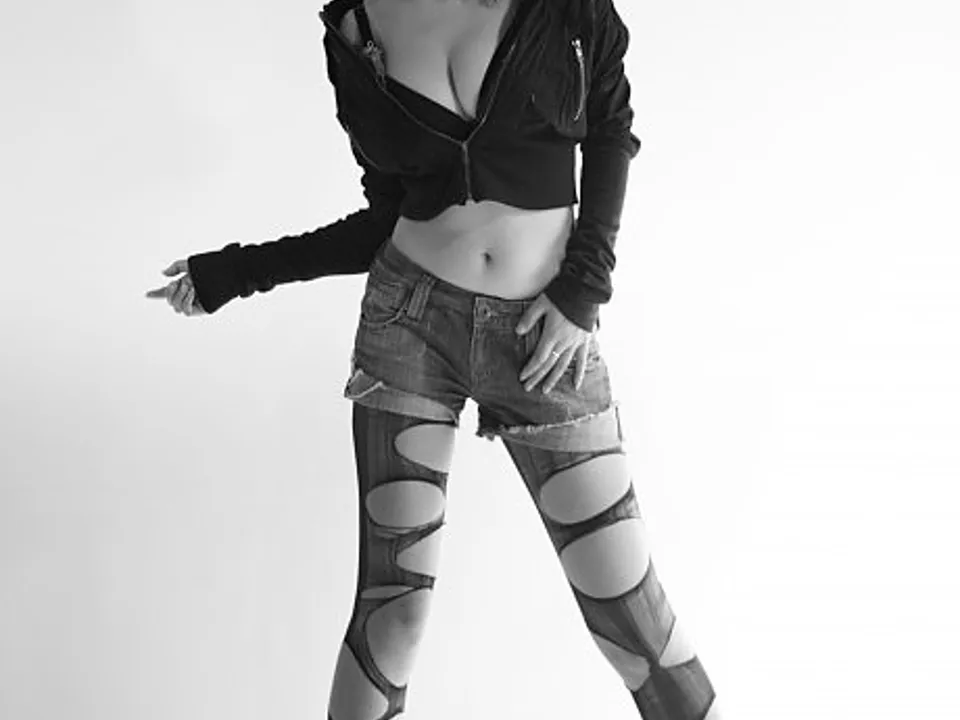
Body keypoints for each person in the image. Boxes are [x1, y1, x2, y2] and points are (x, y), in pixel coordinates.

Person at [146, 0, 719, 717]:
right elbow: (386, 218)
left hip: (544, 346)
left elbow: (611, 130)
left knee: (630, 614)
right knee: (394, 611)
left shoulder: (568, 9)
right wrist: (238, 272)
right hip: (407, 327)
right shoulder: (357, 28)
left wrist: (582, 291)